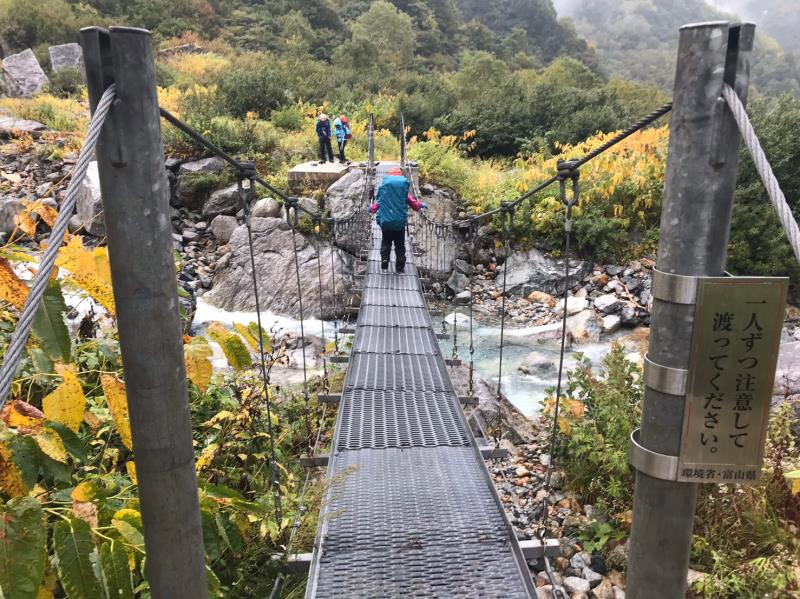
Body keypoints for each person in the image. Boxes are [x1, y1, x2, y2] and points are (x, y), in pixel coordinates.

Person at [369, 167, 427, 273]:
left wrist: (371, 209)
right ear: (400, 176)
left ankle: (385, 260)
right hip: (399, 222)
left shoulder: (384, 188)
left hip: (386, 222)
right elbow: (413, 203)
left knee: (386, 242)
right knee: (400, 245)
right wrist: (420, 205)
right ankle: (400, 267)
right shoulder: (403, 189)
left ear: (390, 175)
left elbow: (378, 203)